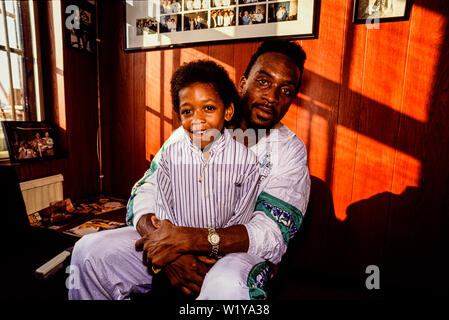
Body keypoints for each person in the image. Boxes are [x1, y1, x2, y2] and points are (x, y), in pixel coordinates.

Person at [69, 40, 310, 300]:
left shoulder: (290, 150)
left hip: (236, 252)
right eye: (263, 81)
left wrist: (192, 241)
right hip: (173, 237)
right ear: (243, 83)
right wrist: (163, 246)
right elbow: (147, 189)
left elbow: (271, 233)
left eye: (286, 90)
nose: (272, 97)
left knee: (227, 285)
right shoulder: (194, 129)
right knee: (90, 252)